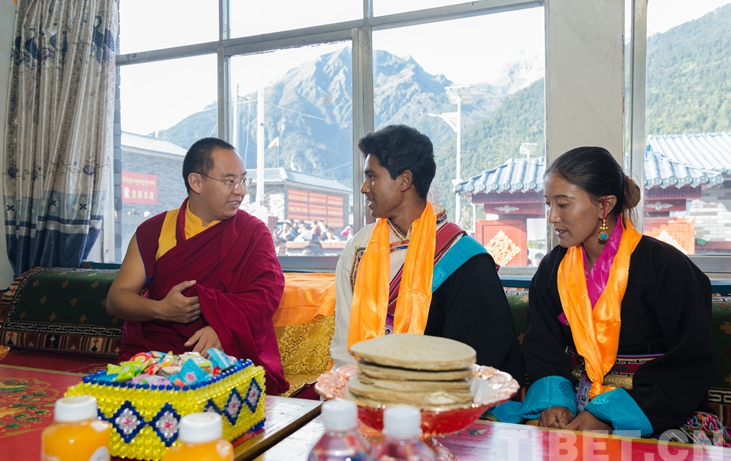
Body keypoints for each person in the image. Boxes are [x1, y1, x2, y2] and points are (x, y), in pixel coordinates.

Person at [519, 146, 731, 446]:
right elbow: (544, 347)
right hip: (575, 408)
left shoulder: (667, 267)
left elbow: (690, 363)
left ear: (605, 205)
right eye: (548, 204)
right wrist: (555, 404)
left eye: (563, 204)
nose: (552, 216)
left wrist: (609, 416)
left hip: (656, 412)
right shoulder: (552, 268)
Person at [330, 124, 523, 385]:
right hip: (365, 390)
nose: (364, 188)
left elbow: (479, 355)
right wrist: (350, 390)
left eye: (372, 177)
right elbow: (344, 338)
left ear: (404, 181)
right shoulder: (358, 248)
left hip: (439, 397)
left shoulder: (465, 259)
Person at [106, 137, 289, 396]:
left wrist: (223, 330)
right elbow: (116, 299)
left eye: (243, 180)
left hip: (222, 355)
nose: (240, 191)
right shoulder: (154, 230)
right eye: (229, 181)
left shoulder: (252, 232)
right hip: (157, 354)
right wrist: (162, 310)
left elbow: (266, 294)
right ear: (196, 182)